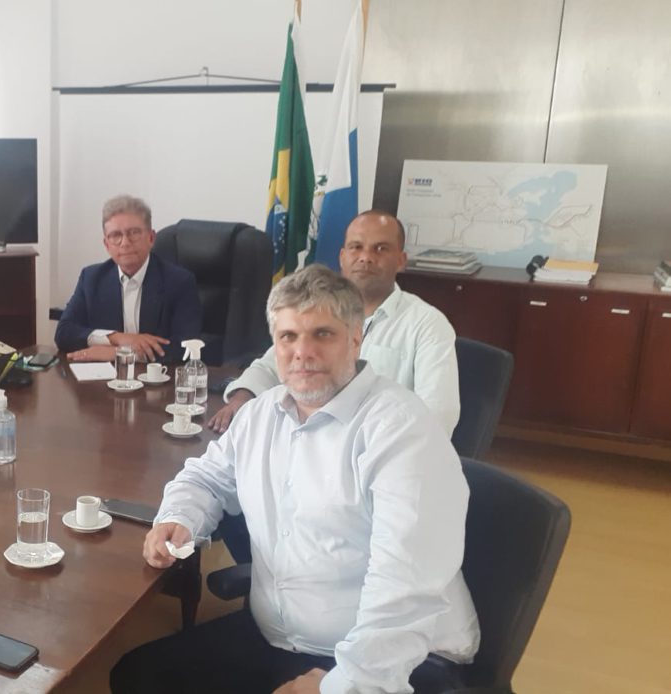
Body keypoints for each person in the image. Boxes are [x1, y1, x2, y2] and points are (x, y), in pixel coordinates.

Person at [110, 264, 479, 694]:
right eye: (288, 336)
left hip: (395, 660)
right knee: (137, 677)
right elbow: (206, 479)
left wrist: (340, 686)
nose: (303, 352)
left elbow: (406, 593)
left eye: (322, 334)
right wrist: (179, 518)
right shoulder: (260, 414)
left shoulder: (402, 431)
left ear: (355, 339)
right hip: (278, 637)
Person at [208, 209, 459, 434]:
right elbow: (270, 366)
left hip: (377, 449)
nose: (366, 257)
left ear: (401, 260)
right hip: (303, 439)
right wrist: (242, 398)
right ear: (342, 256)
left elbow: (438, 415)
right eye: (356, 247)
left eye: (381, 249)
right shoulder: (316, 310)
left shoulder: (427, 324)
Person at [54, 194, 201, 363]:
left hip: (157, 377)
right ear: (107, 244)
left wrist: (118, 353)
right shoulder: (91, 278)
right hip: (104, 377)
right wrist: (117, 338)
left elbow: (185, 348)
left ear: (151, 238)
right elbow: (64, 333)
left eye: (134, 233)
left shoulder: (179, 282)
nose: (125, 243)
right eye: (116, 235)